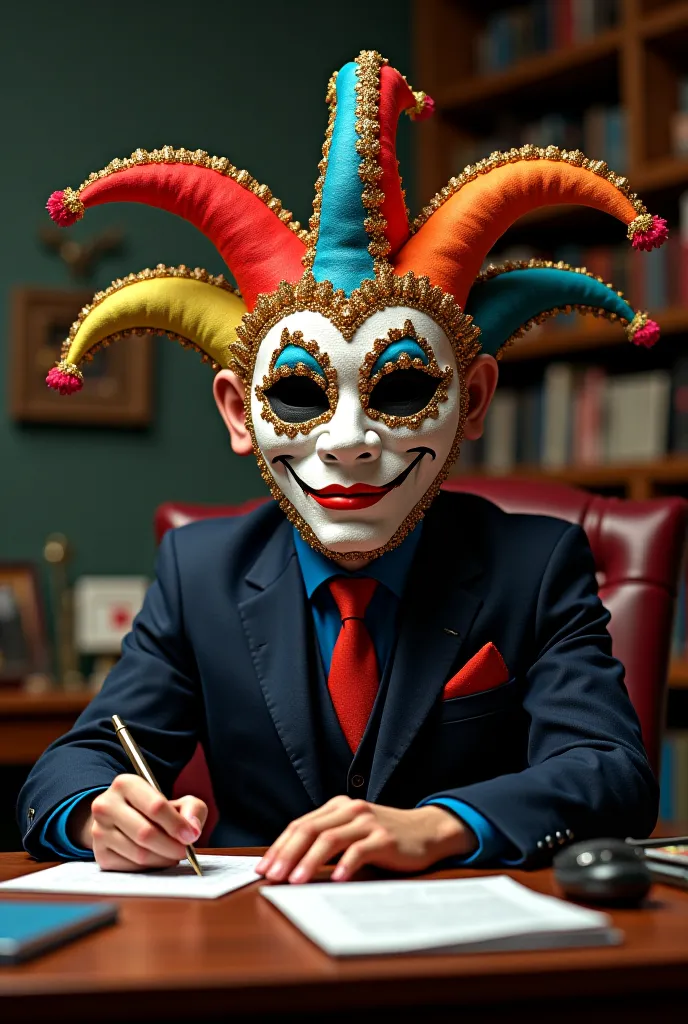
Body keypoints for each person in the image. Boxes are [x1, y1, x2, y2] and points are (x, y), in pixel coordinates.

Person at [19, 51, 666, 883]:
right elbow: (67, 771)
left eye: (399, 388)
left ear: (471, 402)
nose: (350, 441)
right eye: (298, 394)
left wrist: (444, 825)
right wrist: (102, 812)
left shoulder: (535, 566)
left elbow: (612, 774)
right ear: (236, 414)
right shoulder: (200, 572)